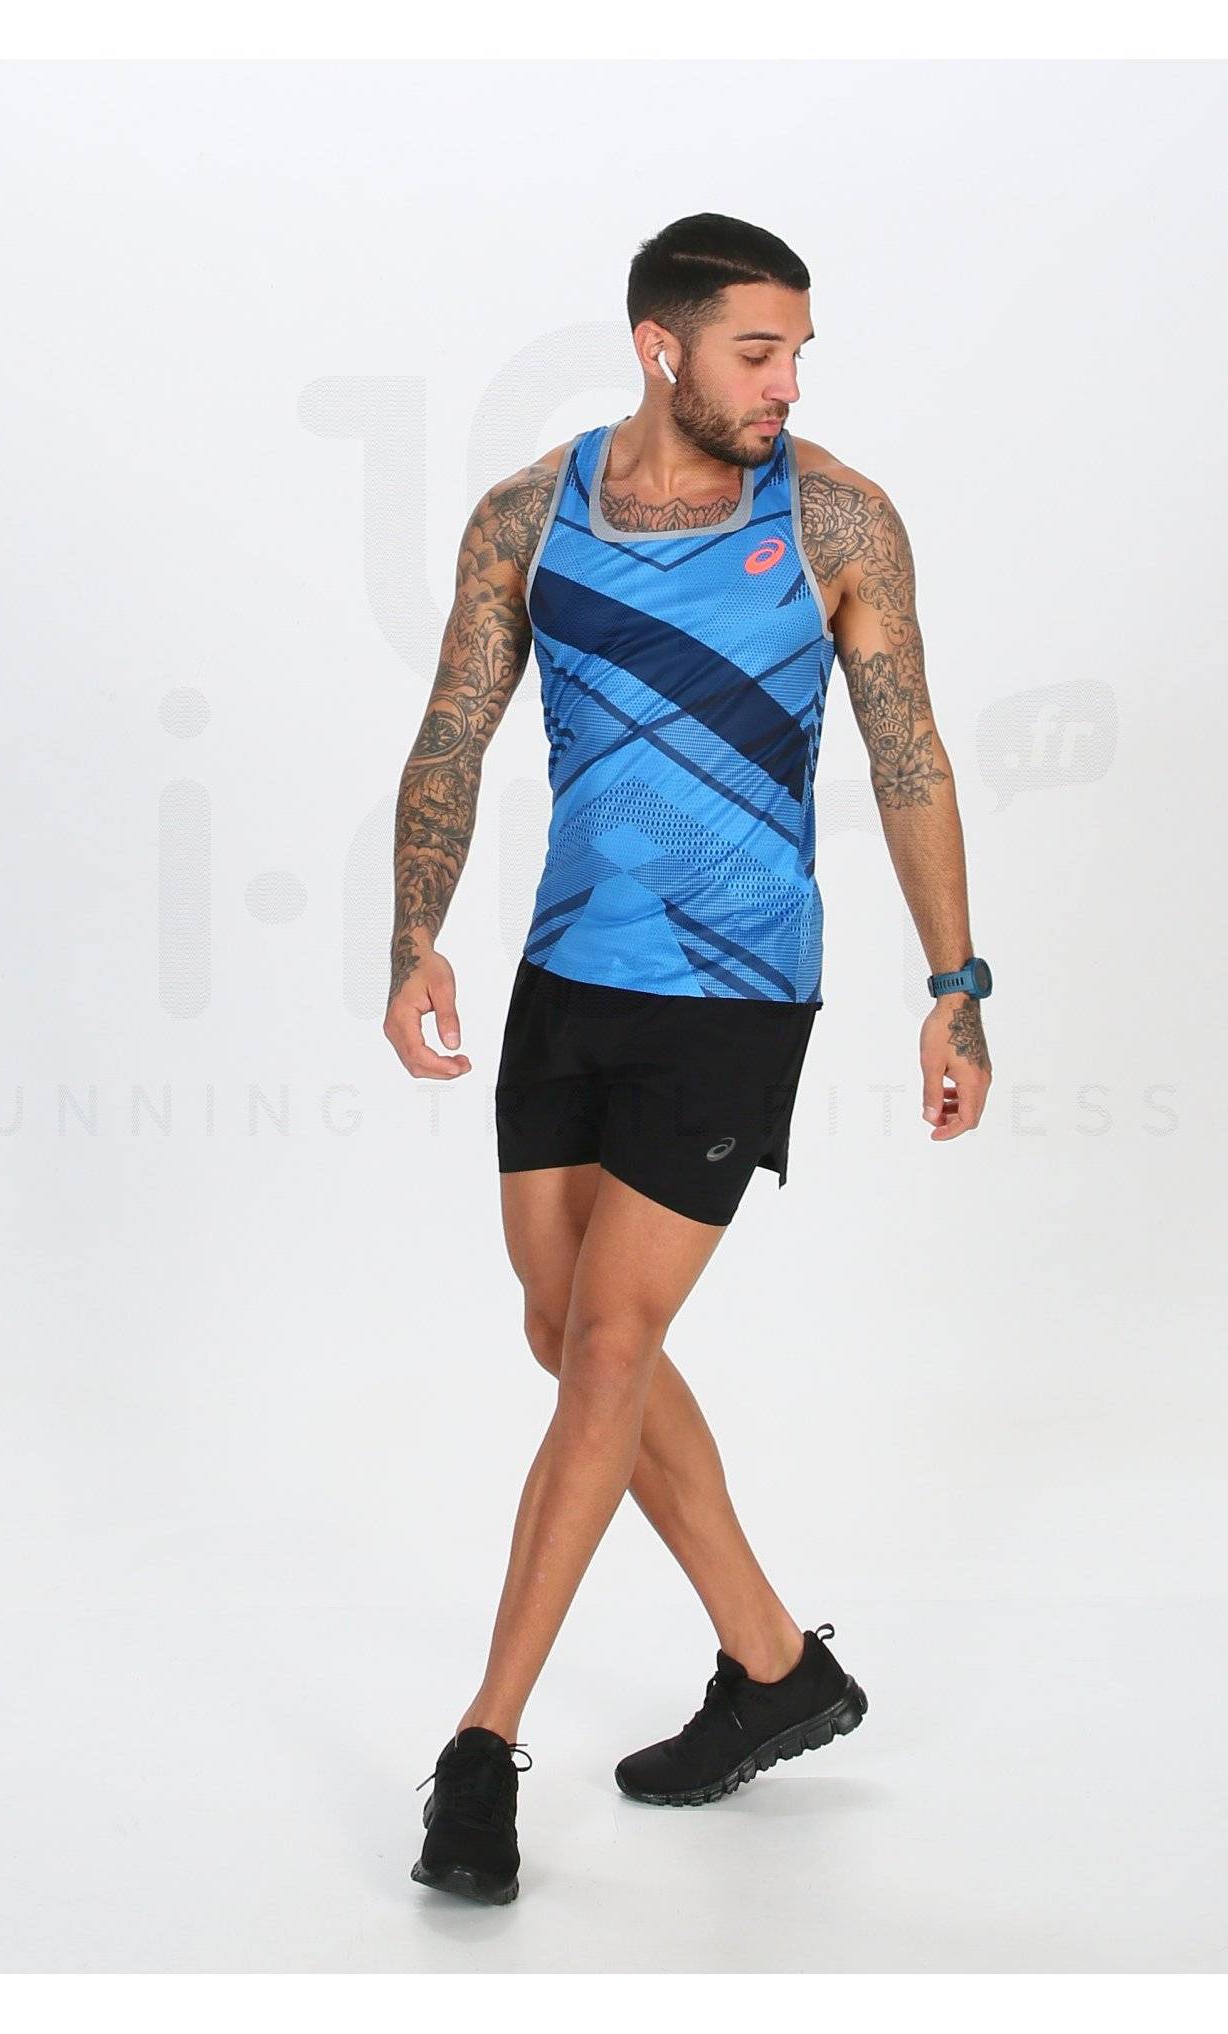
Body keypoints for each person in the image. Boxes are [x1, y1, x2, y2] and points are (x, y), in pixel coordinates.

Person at [384, 212, 993, 1905]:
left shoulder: (836, 519)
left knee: (608, 1343)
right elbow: (452, 730)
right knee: (558, 1323)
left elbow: (911, 755)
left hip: (734, 990)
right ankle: (774, 1663)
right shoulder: (530, 515)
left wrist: (954, 983)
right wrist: (414, 934)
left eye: (799, 353)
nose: (787, 384)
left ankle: (481, 1748)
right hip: (567, 972)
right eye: (757, 351)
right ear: (661, 348)